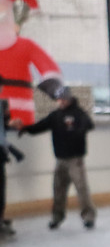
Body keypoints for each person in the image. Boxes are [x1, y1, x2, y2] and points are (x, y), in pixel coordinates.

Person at [12, 86, 96, 230]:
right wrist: (26, 129)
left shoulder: (78, 113)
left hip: (75, 159)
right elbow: (40, 126)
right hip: (60, 159)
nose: (60, 102)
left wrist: (79, 131)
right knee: (58, 189)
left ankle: (88, 217)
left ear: (69, 99)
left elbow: (89, 124)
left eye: (63, 99)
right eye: (59, 99)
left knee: (81, 189)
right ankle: (57, 217)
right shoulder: (55, 115)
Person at [1, 96, 25, 237]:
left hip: (1, 152)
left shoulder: (2, 104)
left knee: (2, 189)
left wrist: (10, 123)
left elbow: (3, 127)